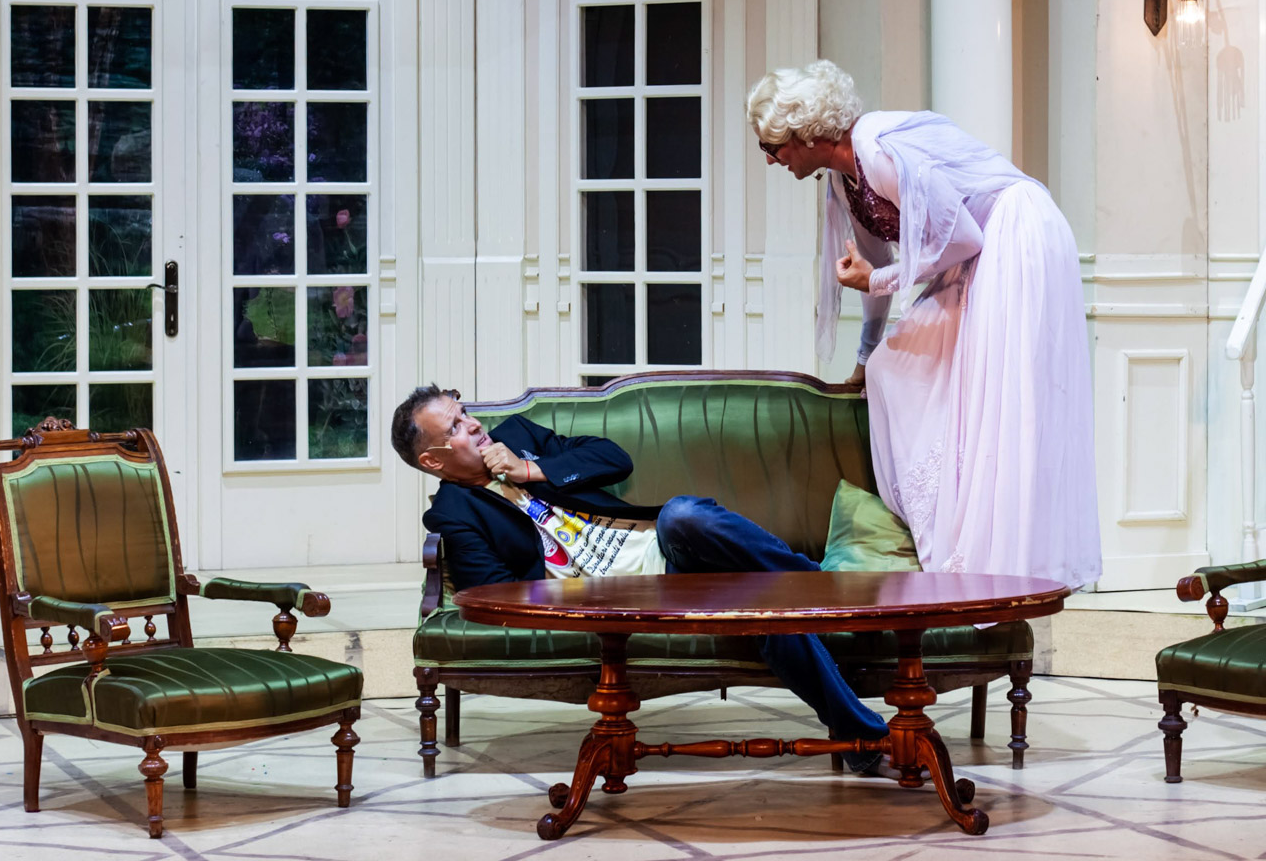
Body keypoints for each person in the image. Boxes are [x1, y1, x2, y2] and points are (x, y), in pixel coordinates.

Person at [389, 384, 890, 767]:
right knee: (761, 608)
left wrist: (529, 471)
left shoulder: (518, 437)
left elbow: (613, 459)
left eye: (465, 413)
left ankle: (822, 587)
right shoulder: (453, 512)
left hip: (665, 553)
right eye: (456, 427)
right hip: (612, 596)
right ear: (433, 460)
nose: (474, 425)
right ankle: (867, 742)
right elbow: (494, 592)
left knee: (682, 514)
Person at [748, 61, 1101, 589]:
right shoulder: (845, 180)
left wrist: (878, 280)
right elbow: (871, 265)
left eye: (771, 146)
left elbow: (961, 238)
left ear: (805, 135)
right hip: (976, 249)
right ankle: (949, 545)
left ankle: (992, 567)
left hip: (1012, 231)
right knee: (889, 368)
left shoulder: (879, 151)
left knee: (993, 395)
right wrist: (865, 358)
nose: (771, 159)